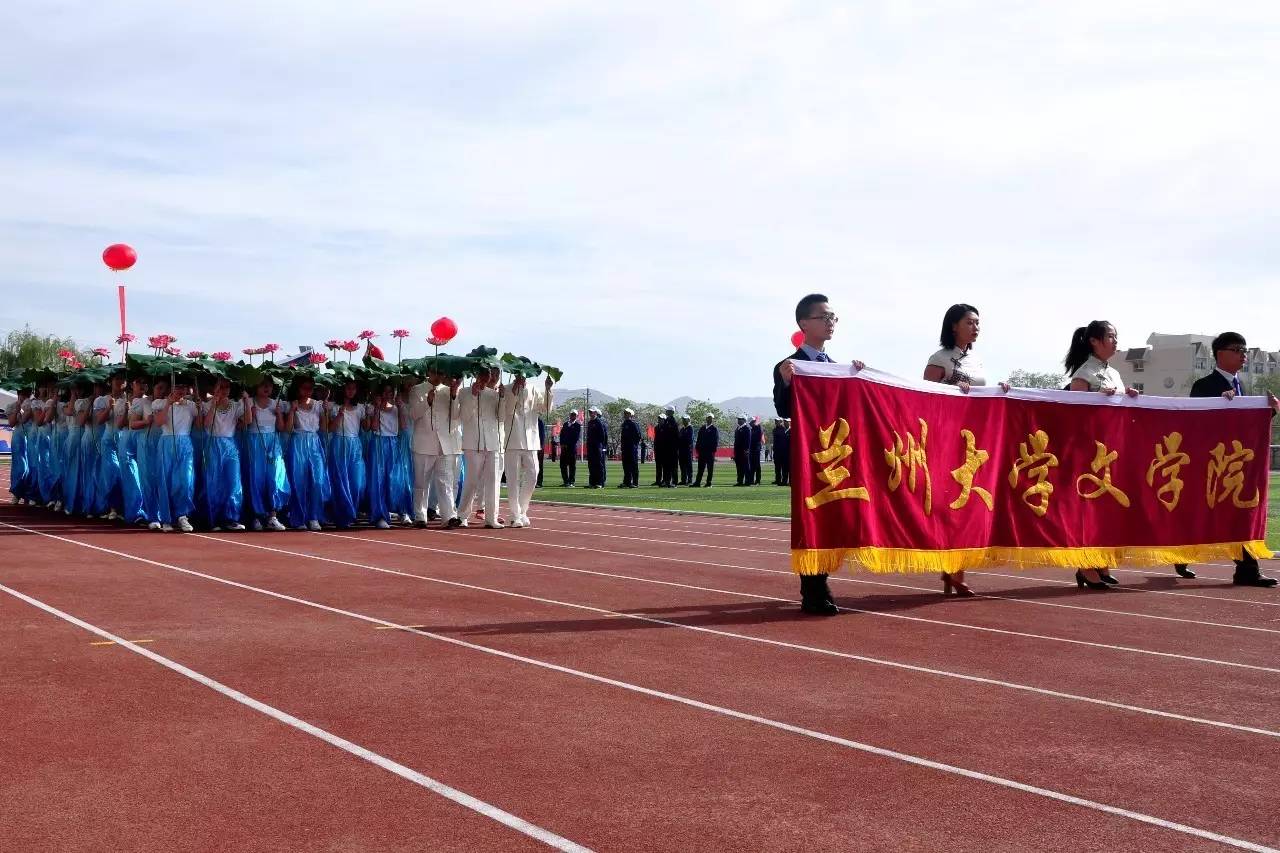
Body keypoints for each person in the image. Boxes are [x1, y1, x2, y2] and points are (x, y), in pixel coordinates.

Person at [774, 293, 865, 616]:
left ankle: (819, 585)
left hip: (838, 457)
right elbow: (784, 409)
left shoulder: (838, 368)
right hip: (809, 458)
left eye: (833, 318)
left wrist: (858, 379)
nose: (830, 323)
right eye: (824, 317)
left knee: (833, 520)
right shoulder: (789, 365)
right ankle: (813, 590)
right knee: (812, 519)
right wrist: (786, 383)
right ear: (804, 324)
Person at [1172, 332, 1280, 587]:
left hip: (1236, 465)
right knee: (1202, 513)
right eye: (1238, 350)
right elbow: (1195, 424)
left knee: (1240, 513)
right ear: (1221, 353)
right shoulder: (1204, 386)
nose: (1244, 355)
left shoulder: (1242, 386)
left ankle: (1247, 570)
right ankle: (1181, 551)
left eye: (1245, 350)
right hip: (1211, 465)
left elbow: (1247, 426)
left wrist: (1270, 411)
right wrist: (1220, 406)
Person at [1064, 320, 1140, 590]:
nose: (1115, 341)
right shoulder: (1084, 375)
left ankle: (1101, 562)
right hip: (1088, 454)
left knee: (1106, 510)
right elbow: (1075, 413)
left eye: (1116, 336)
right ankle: (1086, 567)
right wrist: (1098, 398)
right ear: (1095, 341)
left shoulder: (1114, 374)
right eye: (1110, 336)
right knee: (1088, 510)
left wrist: (1128, 396)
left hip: (1111, 452)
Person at [921, 303, 991, 596]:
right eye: (970, 322)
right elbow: (924, 398)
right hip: (946, 439)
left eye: (977, 323)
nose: (976, 327)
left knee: (968, 504)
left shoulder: (976, 361)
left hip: (973, 442)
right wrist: (951, 394)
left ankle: (955, 569)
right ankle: (951, 568)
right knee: (949, 502)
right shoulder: (940, 359)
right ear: (953, 326)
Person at [408, 368, 463, 528]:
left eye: (441, 372)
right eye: (436, 372)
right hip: (424, 443)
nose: (439, 375)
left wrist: (454, 396)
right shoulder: (417, 389)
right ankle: (420, 516)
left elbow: (455, 416)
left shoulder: (449, 390)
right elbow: (413, 414)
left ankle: (449, 516)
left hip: (444, 444)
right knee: (421, 482)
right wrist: (427, 401)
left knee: (445, 480)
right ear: (429, 372)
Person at [502, 373, 554, 528]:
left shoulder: (533, 389)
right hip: (512, 440)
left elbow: (545, 409)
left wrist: (548, 389)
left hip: (531, 441)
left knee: (533, 475)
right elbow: (507, 411)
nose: (522, 379)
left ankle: (522, 510)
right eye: (519, 376)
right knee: (512, 480)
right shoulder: (506, 389)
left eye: (524, 376)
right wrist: (514, 391)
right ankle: (514, 515)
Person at [457, 367, 504, 527]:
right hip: (473, 443)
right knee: (471, 481)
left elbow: (502, 417)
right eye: (483, 375)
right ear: (476, 375)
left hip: (492, 443)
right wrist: (473, 396)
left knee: (493, 482)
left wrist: (503, 399)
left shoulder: (495, 395)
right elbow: (463, 417)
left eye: (488, 375)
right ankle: (462, 515)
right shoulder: (464, 392)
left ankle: (492, 518)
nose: (486, 378)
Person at [241, 377, 290, 532]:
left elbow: (281, 428)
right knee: (256, 479)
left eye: (269, 385)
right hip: (255, 442)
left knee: (275, 477)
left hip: (273, 442)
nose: (266, 388)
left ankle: (272, 515)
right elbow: (242, 425)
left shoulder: (277, 403)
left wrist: (279, 414)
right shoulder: (249, 402)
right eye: (262, 385)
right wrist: (250, 412)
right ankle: (257, 515)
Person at [283, 377, 331, 531]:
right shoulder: (291, 404)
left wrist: (325, 412)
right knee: (299, 482)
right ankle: (299, 517)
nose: (307, 390)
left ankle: (314, 516)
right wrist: (292, 411)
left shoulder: (317, 405)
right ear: (297, 388)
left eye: (310, 388)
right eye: (304, 387)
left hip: (314, 442)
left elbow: (324, 428)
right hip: (297, 442)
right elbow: (288, 429)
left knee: (317, 481)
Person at [151, 377, 198, 532]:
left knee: (185, 480)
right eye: (177, 386)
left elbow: (200, 423)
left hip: (185, 443)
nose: (180, 390)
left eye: (183, 387)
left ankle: (182, 516)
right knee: (165, 480)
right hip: (166, 442)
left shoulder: (191, 405)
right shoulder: (158, 403)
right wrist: (168, 404)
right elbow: (159, 422)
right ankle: (166, 518)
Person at [366, 380, 413, 529]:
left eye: (390, 392)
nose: (388, 395)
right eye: (385, 392)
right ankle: (379, 515)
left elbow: (403, 427)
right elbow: (373, 427)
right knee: (378, 480)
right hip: (379, 443)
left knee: (396, 480)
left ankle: (402, 511)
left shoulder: (397, 408)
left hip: (393, 444)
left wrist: (400, 407)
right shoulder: (373, 408)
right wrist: (378, 409)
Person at [201, 377, 246, 531]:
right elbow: (205, 424)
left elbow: (247, 421)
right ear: (214, 388)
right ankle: (214, 519)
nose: (224, 390)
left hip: (230, 445)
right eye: (221, 387)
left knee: (233, 482)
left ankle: (231, 517)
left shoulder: (234, 405)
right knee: (214, 482)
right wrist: (213, 403)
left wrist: (246, 401)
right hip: (212, 444)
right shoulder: (207, 405)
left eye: (227, 387)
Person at [328, 380, 367, 529]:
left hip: (355, 445)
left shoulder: (360, 408)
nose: (351, 391)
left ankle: (352, 511)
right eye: (348, 388)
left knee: (356, 483)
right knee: (340, 481)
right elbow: (330, 428)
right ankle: (342, 515)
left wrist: (372, 413)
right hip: (339, 443)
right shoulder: (335, 407)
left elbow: (367, 427)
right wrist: (338, 415)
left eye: (353, 389)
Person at [693, 414, 719, 487]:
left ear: (713, 419)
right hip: (702, 451)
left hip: (710, 452)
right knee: (700, 468)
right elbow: (698, 439)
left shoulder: (714, 429)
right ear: (706, 418)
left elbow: (715, 441)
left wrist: (713, 450)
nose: (709, 419)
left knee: (710, 468)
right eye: (708, 418)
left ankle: (709, 482)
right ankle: (697, 482)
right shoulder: (702, 428)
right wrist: (697, 448)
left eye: (711, 418)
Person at [656, 407, 679, 486]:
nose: (666, 411)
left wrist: (674, 447)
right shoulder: (666, 421)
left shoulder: (673, 422)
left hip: (672, 448)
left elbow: (676, 436)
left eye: (667, 410)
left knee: (673, 466)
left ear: (671, 412)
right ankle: (666, 480)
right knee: (666, 466)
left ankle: (674, 482)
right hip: (666, 448)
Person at [585, 406, 608, 488]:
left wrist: (602, 447)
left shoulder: (599, 422)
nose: (590, 413)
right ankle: (592, 482)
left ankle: (600, 483)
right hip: (590, 447)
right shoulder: (590, 422)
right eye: (589, 412)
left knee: (599, 464)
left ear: (595, 413)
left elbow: (603, 436)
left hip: (598, 446)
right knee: (591, 465)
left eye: (592, 412)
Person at [619, 408, 641, 488]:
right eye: (625, 413)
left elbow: (638, 436)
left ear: (631, 415)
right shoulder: (624, 424)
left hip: (632, 448)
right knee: (626, 466)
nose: (625, 415)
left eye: (627, 413)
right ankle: (627, 482)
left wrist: (634, 445)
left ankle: (635, 482)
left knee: (633, 465)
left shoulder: (634, 424)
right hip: (625, 448)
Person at [559, 411, 580, 486]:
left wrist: (567, 444)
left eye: (574, 415)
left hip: (572, 448)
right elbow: (561, 435)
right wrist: (562, 444)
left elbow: (575, 438)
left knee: (572, 466)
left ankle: (571, 481)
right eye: (571, 415)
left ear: (576, 416)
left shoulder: (577, 425)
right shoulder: (565, 424)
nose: (572, 416)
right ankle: (565, 481)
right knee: (563, 465)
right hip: (564, 448)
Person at [772, 418, 790, 486]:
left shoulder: (788, 430)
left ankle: (784, 481)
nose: (786, 423)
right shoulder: (777, 430)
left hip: (786, 452)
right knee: (777, 467)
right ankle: (778, 480)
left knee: (785, 467)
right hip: (777, 451)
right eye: (785, 422)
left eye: (787, 422)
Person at [732, 416, 750, 486]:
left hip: (744, 451)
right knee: (739, 467)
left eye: (740, 419)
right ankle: (740, 481)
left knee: (745, 466)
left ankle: (747, 481)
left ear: (744, 420)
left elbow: (748, 441)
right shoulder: (737, 429)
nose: (738, 420)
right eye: (738, 419)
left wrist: (746, 450)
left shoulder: (747, 429)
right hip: (737, 451)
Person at [677, 415, 694, 485]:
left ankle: (689, 480)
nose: (684, 421)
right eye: (683, 419)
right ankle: (683, 480)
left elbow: (689, 439)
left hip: (687, 450)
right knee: (682, 465)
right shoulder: (682, 429)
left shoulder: (690, 428)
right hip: (681, 450)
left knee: (688, 466)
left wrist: (681, 439)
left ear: (688, 420)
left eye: (685, 419)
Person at [748, 417, 763, 485]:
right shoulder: (751, 429)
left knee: (757, 465)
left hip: (756, 449)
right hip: (751, 449)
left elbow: (758, 437)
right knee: (752, 466)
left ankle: (758, 480)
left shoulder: (758, 428)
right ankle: (751, 480)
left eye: (752, 422)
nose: (750, 424)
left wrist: (757, 423)